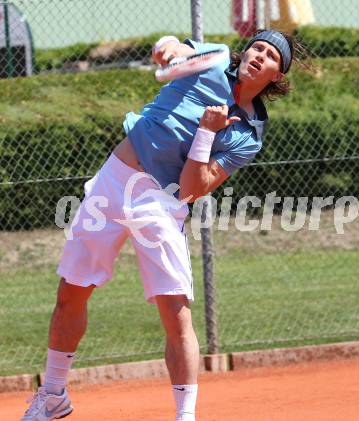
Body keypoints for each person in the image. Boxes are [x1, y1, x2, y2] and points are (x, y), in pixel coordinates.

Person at [21, 29, 302, 421]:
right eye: (257, 46)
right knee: (72, 291)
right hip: (115, 179)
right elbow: (173, 49)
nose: (260, 55)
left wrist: (206, 132)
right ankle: (52, 395)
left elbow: (191, 189)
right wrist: (167, 47)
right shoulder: (215, 59)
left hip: (163, 200)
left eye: (271, 55)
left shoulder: (247, 136)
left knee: (175, 312)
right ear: (245, 52)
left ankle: (185, 417)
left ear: (277, 75)